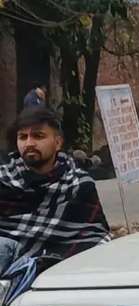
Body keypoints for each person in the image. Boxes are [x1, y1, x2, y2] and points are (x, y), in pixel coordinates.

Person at [0, 107, 110, 274]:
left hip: (59, 278)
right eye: (23, 137)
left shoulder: (79, 185)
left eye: (38, 136)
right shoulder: (3, 181)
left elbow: (95, 237)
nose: (29, 143)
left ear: (57, 142)